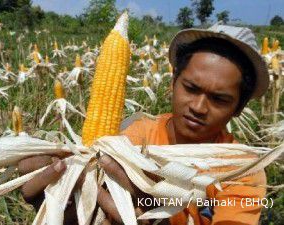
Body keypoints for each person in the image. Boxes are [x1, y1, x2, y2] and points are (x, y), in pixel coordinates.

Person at [18, 23, 269, 225]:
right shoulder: (135, 137)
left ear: (238, 108)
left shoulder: (243, 170)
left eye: (219, 99)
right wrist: (66, 204)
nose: (199, 107)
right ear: (173, 82)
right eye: (191, 88)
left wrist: (158, 214)